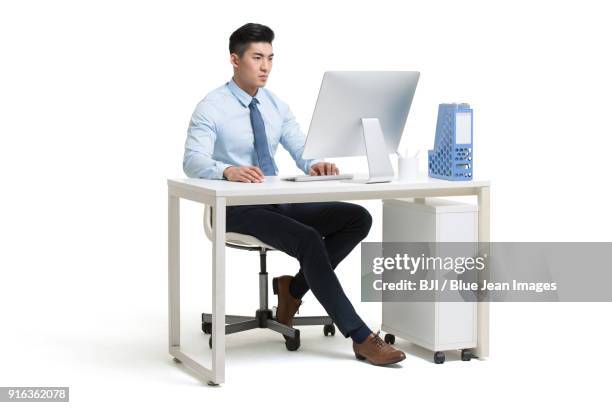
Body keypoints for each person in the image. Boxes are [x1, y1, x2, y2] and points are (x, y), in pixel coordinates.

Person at [183, 23, 405, 366]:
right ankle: (361, 336)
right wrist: (226, 170)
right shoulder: (211, 107)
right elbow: (192, 160)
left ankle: (294, 290)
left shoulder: (275, 105)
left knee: (357, 218)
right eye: (257, 57)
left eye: (270, 58)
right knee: (309, 239)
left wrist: (315, 164)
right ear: (234, 59)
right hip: (236, 208)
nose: (265, 66)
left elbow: (300, 146)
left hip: (277, 202)